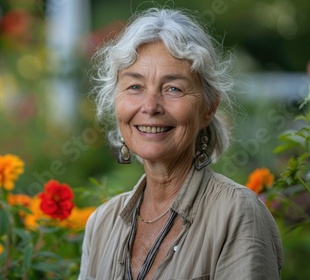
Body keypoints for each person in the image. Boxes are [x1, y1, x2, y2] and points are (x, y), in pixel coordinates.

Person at [79, 7, 283, 280]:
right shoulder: (102, 224)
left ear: (209, 108)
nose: (150, 107)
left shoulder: (236, 213)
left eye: (173, 88)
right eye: (135, 87)